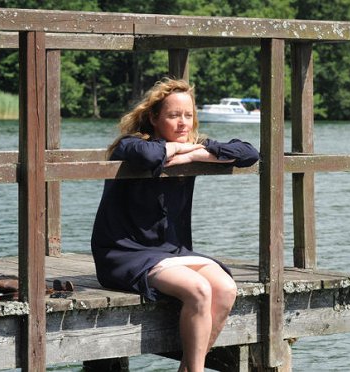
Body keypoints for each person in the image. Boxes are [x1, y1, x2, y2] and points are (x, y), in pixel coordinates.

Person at [90, 78, 260, 372]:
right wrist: (188, 150)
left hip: (171, 251)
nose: (183, 123)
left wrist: (195, 152)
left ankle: (188, 368)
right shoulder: (130, 145)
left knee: (225, 287)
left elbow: (248, 153)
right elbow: (149, 155)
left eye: (188, 115)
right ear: (154, 117)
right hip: (124, 253)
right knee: (199, 289)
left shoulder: (190, 147)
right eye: (173, 115)